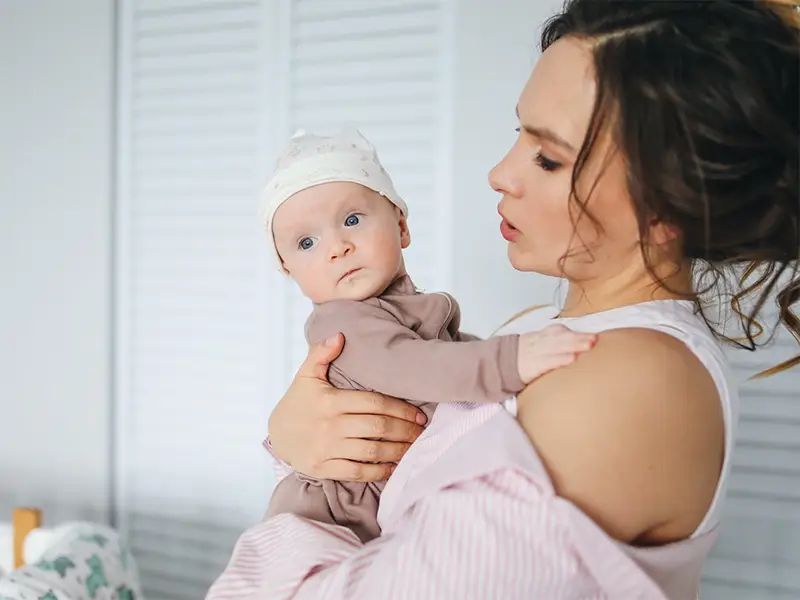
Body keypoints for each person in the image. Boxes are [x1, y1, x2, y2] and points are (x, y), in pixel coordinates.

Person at [207, 0, 799, 597]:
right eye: (519, 133)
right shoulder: (541, 325)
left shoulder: (631, 382)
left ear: (674, 202)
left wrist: (286, 502)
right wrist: (295, 439)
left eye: (548, 157)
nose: (499, 173)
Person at [261, 127, 596, 542]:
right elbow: (415, 366)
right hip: (326, 522)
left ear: (401, 226)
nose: (337, 247)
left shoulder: (404, 309)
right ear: (288, 271)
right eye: (307, 242)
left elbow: (446, 362)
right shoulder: (341, 322)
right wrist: (512, 360)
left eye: (351, 220)